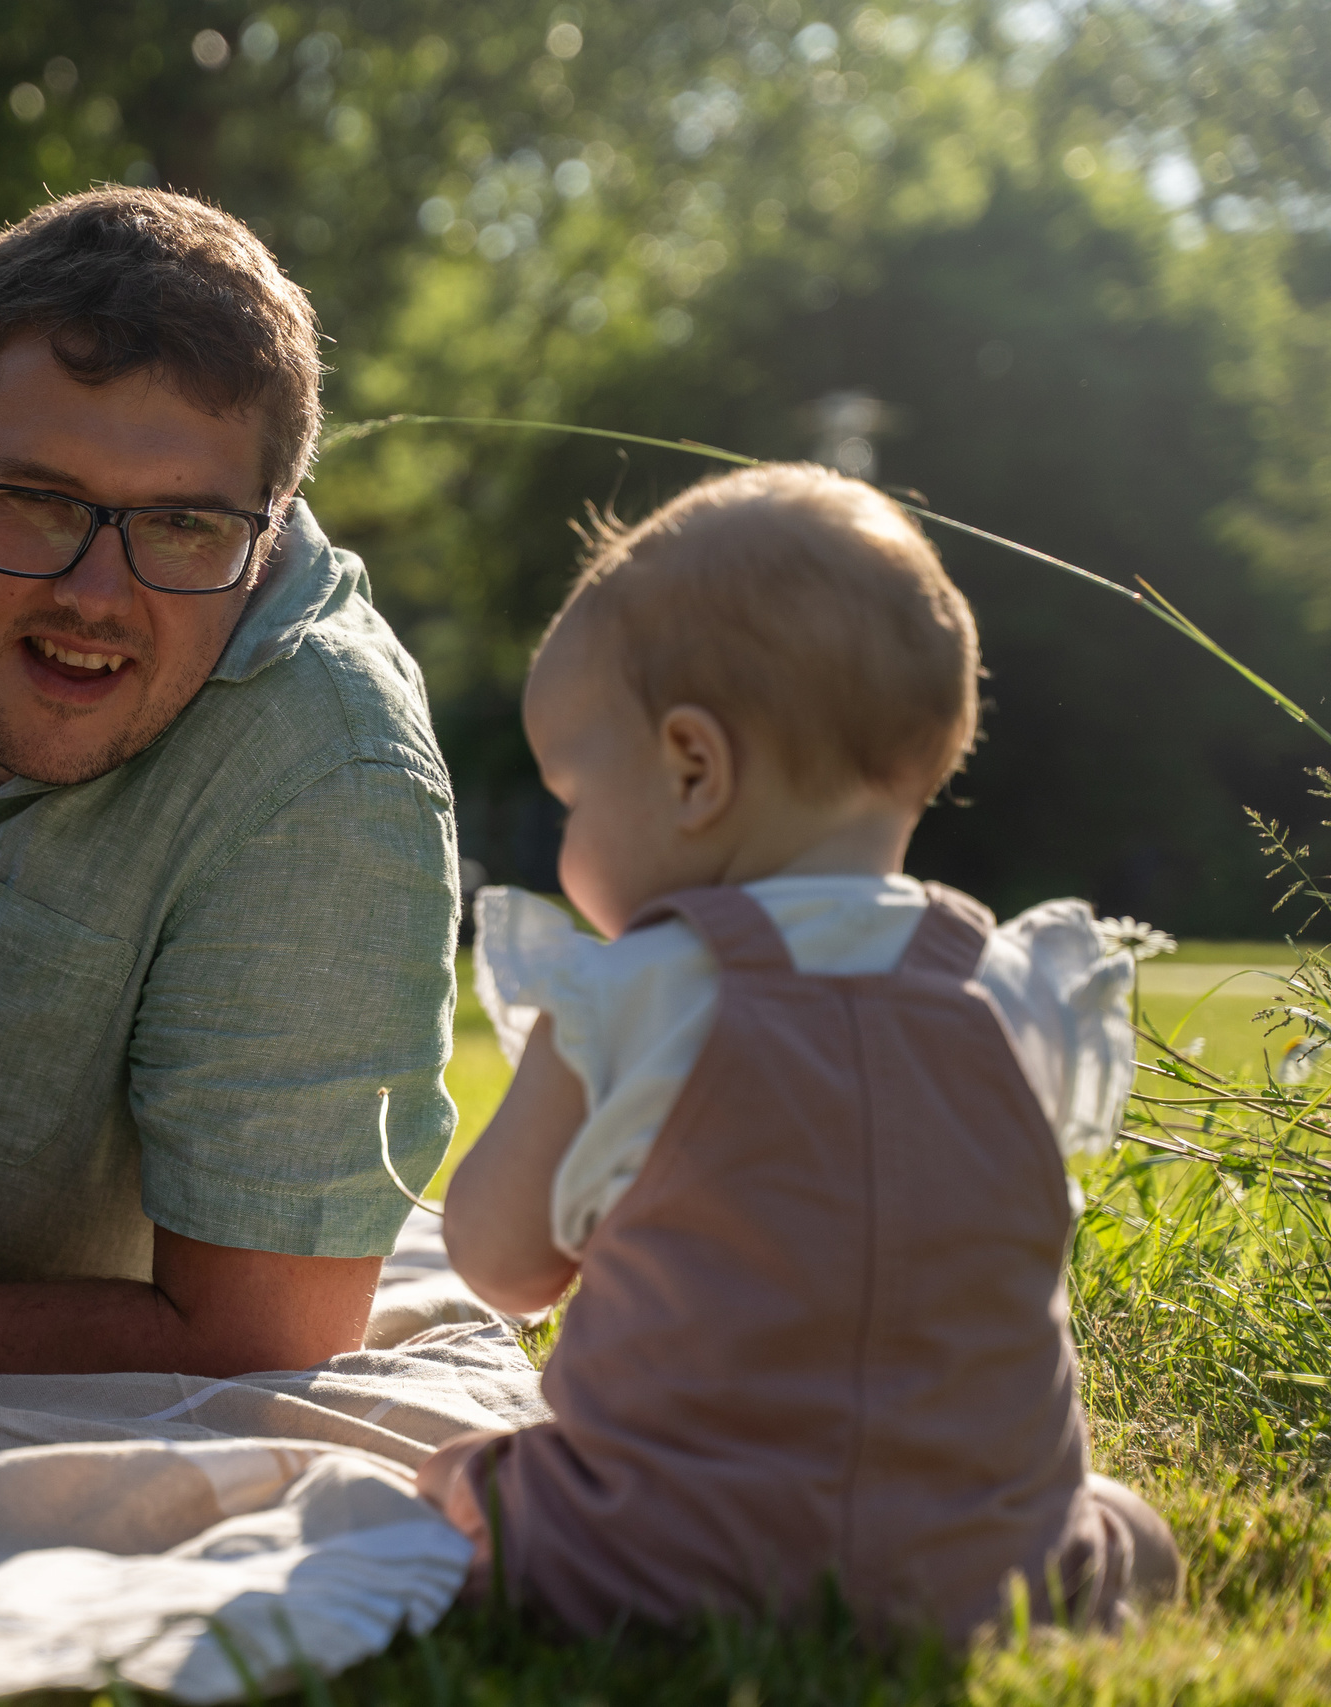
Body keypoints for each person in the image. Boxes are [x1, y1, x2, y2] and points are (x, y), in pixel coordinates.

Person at [414, 464, 1180, 1638]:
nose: (566, 837)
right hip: (982, 1564)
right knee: (1125, 1526)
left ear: (691, 769)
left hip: (664, 1562)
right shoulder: (1012, 992)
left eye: (572, 796)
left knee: (461, 1472)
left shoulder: (630, 995)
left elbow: (501, 1265)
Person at [0, 187, 461, 1382]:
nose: (95, 592)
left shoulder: (332, 781)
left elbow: (258, 1340)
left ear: (271, 525)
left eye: (183, 526)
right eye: (37, 500)